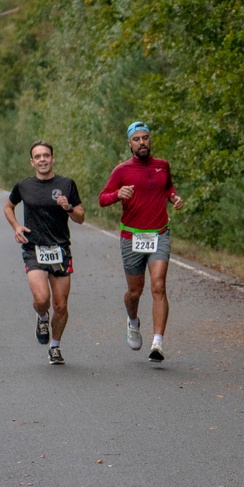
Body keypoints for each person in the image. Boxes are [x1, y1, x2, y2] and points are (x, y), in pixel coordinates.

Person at [99, 121, 184, 363]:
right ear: (130, 143)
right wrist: (117, 194)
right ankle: (133, 320)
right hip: (132, 236)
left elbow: (168, 188)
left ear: (150, 140)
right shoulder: (121, 171)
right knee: (135, 292)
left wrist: (174, 198)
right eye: (137, 139)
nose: (142, 142)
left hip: (159, 234)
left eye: (145, 138)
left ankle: (157, 342)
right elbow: (102, 199)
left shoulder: (162, 166)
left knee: (158, 286)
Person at [4, 141, 85, 365]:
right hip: (34, 249)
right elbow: (8, 207)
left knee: (61, 305)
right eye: (37, 156)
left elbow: (81, 216)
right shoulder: (23, 186)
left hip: (60, 250)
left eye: (46, 155)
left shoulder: (66, 184)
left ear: (52, 158)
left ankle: (55, 346)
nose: (42, 160)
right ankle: (41, 316)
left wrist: (68, 208)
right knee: (42, 299)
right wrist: (16, 226)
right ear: (32, 162)